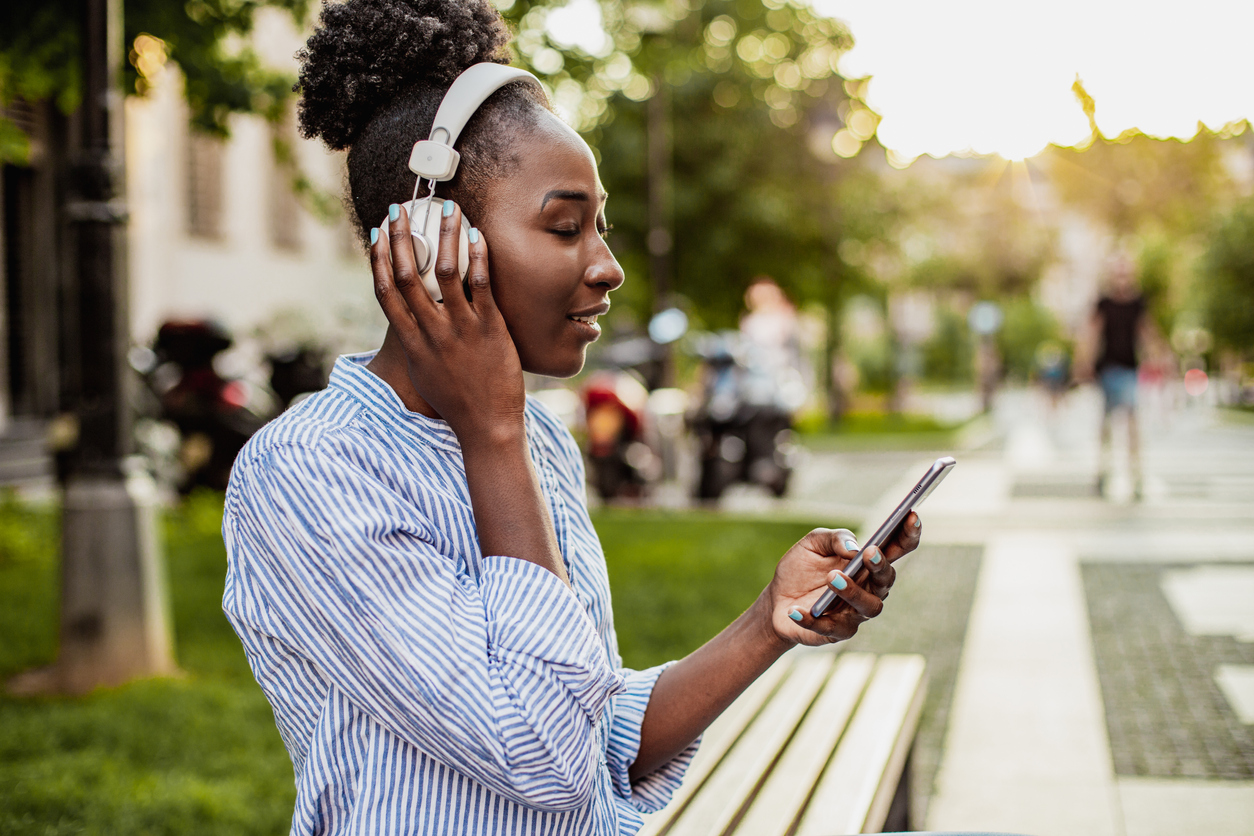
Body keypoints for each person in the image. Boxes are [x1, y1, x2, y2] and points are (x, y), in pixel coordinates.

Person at [221, 1, 921, 833]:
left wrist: (767, 621)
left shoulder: (537, 439)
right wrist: (493, 436)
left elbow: (594, 736)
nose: (609, 266)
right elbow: (541, 754)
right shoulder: (309, 474)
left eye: (602, 226)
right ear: (433, 238)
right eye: (564, 226)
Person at [1078, 256, 1154, 498]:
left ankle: (1136, 473)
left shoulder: (1138, 303)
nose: (1122, 279)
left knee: (1132, 421)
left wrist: (1160, 356)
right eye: (1118, 274)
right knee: (1107, 423)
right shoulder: (1103, 303)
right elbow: (1092, 332)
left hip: (1130, 368)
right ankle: (1103, 470)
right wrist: (1084, 361)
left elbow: (1146, 332)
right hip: (1108, 369)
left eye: (1125, 274)